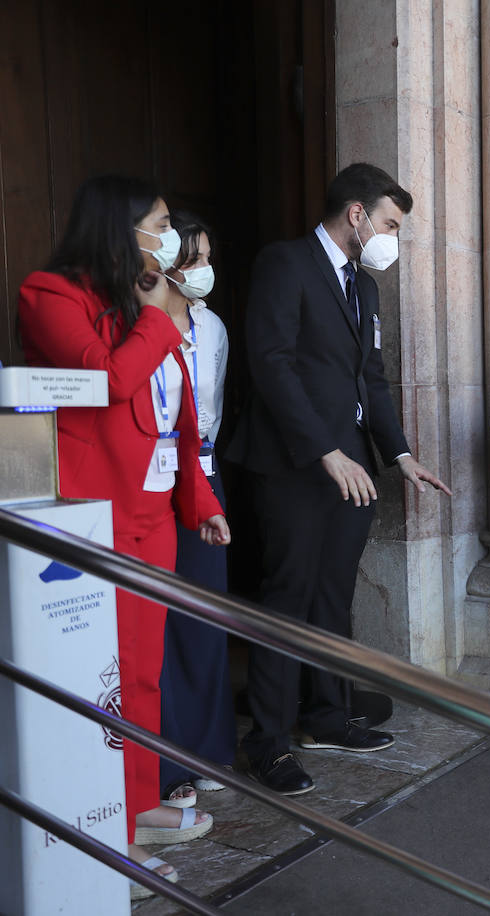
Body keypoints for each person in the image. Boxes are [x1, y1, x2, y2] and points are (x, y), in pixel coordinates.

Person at [16, 175, 228, 891]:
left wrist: (199, 500)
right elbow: (107, 379)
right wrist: (160, 318)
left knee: (140, 673)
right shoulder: (52, 295)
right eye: (161, 222)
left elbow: (179, 416)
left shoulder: (145, 302)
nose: (169, 237)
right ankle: (100, 832)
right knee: (95, 679)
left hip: (151, 520)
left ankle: (134, 809)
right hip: (89, 518)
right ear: (123, 225)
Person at [225, 163, 451, 795]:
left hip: (353, 465)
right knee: (287, 597)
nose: (391, 238)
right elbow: (269, 363)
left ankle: (327, 714)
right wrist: (324, 450)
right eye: (389, 223)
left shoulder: (365, 289)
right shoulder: (285, 264)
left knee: (332, 595)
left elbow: (369, 379)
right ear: (356, 213)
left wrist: (399, 454)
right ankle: (266, 742)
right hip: (296, 463)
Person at [156, 212, 236, 806]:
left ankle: (211, 752)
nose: (204, 270)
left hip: (203, 482)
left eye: (208, 257)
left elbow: (214, 408)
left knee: (205, 619)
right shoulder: (139, 323)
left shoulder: (213, 329)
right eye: (193, 259)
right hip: (150, 487)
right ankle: (166, 763)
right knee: (158, 625)